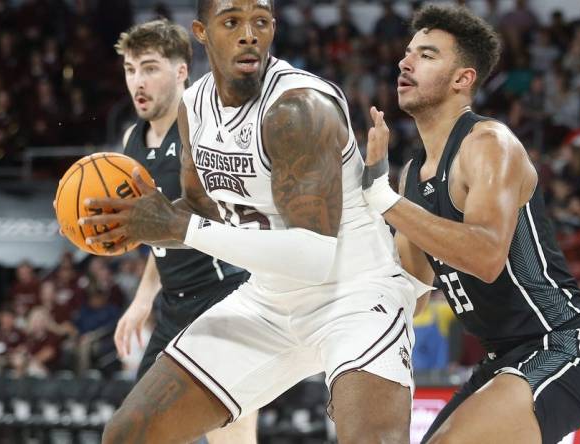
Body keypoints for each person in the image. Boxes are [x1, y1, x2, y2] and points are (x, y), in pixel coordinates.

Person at [79, 1, 426, 443]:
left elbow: (313, 257)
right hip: (268, 301)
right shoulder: (194, 107)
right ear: (202, 32)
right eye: (232, 22)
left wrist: (177, 227)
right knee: (127, 434)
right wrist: (135, 220)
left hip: (355, 296)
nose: (249, 34)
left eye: (260, 22)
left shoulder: (299, 107)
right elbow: (201, 213)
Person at [360, 5, 580, 443]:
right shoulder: (412, 172)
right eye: (407, 53)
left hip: (563, 345)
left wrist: (381, 198)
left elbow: (485, 257)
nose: (404, 63)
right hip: (502, 356)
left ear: (463, 78)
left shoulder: (489, 144)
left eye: (426, 55)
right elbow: (415, 294)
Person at [112, 19, 257, 443]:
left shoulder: (209, 128)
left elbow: (229, 220)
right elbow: (158, 234)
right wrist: (142, 300)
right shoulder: (131, 141)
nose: (138, 81)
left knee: (231, 435)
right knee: (134, 431)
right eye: (130, 69)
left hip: (225, 299)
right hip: (175, 306)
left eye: (150, 67)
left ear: (180, 72)